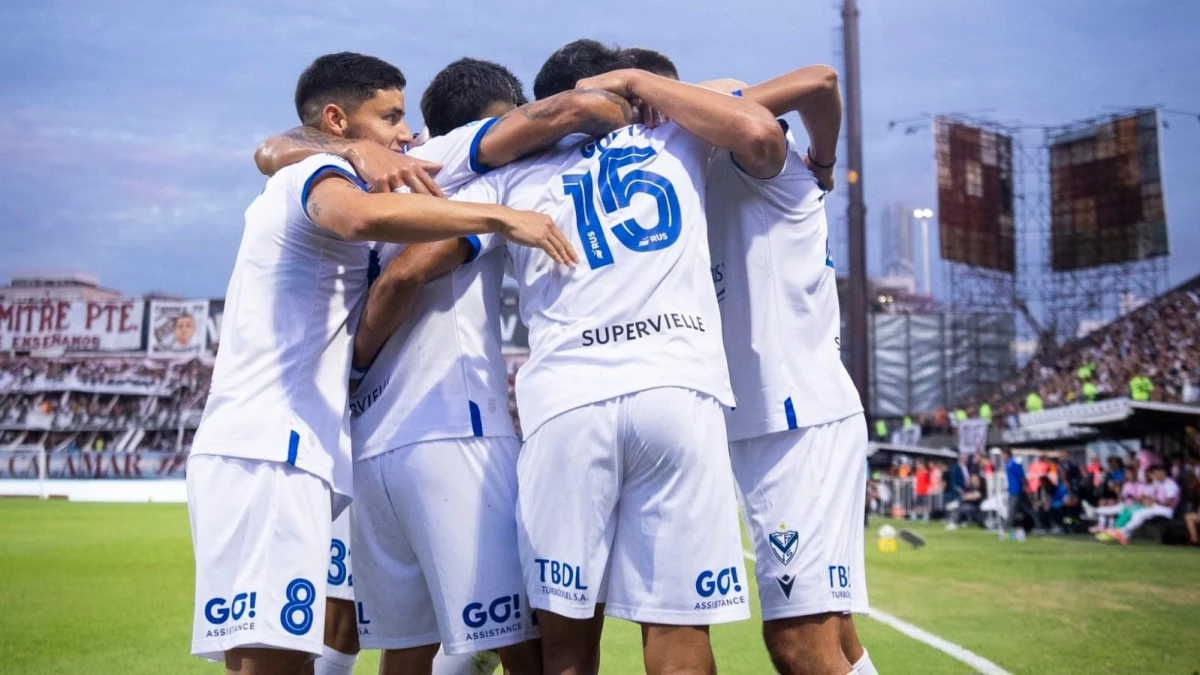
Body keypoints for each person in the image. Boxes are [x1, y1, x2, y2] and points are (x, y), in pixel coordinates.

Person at [186, 52, 574, 675]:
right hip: (274, 447)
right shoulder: (316, 175)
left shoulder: (333, 171)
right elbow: (354, 214)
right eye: (390, 116)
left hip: (303, 444)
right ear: (338, 121)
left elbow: (274, 151)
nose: (405, 133)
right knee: (279, 657)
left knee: (295, 650)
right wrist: (503, 215)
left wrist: (358, 371)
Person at [443, 40, 787, 675]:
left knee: (568, 650)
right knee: (680, 634)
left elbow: (413, 236)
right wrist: (639, 83)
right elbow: (759, 128)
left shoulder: (508, 176)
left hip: (565, 403)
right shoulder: (676, 132)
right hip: (676, 390)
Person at [667, 57, 878, 675]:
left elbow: (820, 81)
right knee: (834, 634)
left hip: (796, 419)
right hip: (776, 422)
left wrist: (826, 159)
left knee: (797, 645)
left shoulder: (760, 159)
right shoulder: (695, 175)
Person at [1102, 464, 1180, 545]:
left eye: (1156, 473)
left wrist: (1154, 502)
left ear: (1163, 473)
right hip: (1157, 507)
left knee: (1140, 514)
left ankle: (1121, 532)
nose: (1155, 476)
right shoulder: (1161, 484)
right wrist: (1149, 501)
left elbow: (1169, 503)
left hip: (1166, 511)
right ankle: (1123, 536)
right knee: (1136, 512)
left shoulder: (1170, 485)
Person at [1001, 448, 1036, 541]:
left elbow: (1022, 476)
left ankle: (1006, 530)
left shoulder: (1014, 463)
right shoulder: (1008, 464)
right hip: (1012, 490)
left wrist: (1026, 487)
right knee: (1029, 509)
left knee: (1011, 511)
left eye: (1002, 454)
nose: (1001, 457)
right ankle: (1039, 526)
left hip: (1016, 491)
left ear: (1006, 454)